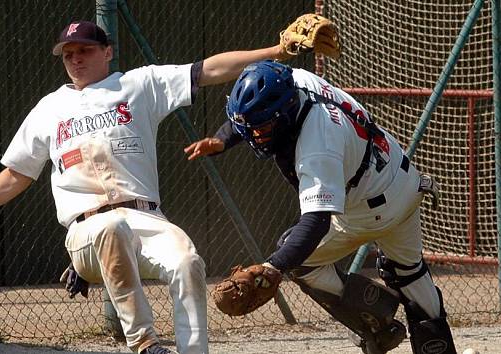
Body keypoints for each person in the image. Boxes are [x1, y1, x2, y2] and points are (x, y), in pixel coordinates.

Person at [0, 20, 293, 354]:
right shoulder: (49, 108)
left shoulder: (138, 84)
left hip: (146, 217)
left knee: (188, 262)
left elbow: (207, 70)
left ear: (108, 52)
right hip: (86, 230)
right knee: (110, 226)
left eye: (85, 49)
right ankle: (146, 344)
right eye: (68, 53)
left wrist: (276, 52)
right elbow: (18, 172)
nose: (76, 58)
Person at [184, 60, 457, 354]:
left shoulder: (317, 144)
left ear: (284, 114)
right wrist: (224, 139)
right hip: (404, 180)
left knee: (297, 257)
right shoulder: (295, 80)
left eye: (262, 129)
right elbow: (256, 113)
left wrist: (272, 267)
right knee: (410, 272)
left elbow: (317, 222)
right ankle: (437, 345)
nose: (255, 135)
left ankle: (377, 321)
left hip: (367, 209)